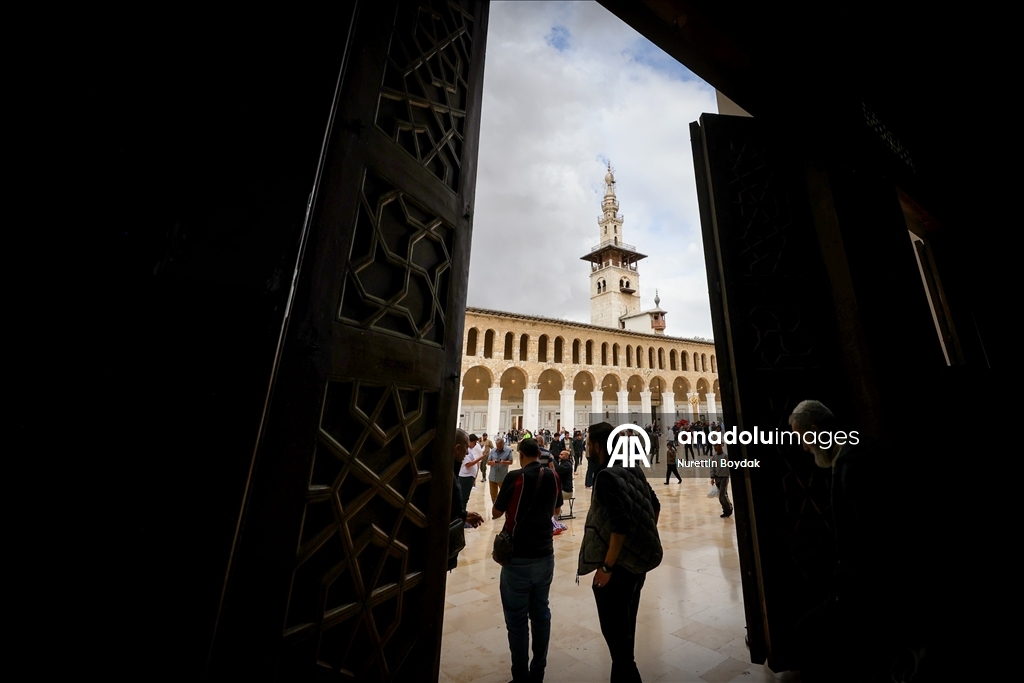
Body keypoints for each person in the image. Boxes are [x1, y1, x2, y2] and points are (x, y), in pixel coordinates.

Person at [788, 400, 921, 682]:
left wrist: (850, 586)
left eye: (803, 438)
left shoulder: (853, 466)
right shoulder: (861, 447)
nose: (804, 447)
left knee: (807, 633)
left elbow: (872, 535)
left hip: (872, 587)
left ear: (815, 431)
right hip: (876, 583)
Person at [579, 422, 662, 683]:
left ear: (597, 446)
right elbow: (655, 505)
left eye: (588, 444)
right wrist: (640, 541)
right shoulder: (632, 468)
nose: (586, 448)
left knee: (618, 643)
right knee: (625, 633)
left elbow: (620, 525)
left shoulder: (606, 476)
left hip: (618, 571)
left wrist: (607, 567)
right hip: (637, 567)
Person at [492, 438, 563, 683]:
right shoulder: (553, 476)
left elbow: (496, 512)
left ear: (521, 454)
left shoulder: (515, 477)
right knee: (541, 614)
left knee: (517, 620)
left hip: (518, 557)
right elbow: (556, 510)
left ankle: (520, 675)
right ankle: (538, 672)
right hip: (545, 555)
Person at [450, 430, 485, 569]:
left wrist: (463, 516)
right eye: (466, 448)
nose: (466, 452)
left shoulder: (451, 469)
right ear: (458, 448)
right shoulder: (446, 473)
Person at [458, 433, 486, 523]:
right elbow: (468, 465)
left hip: (469, 477)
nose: (475, 445)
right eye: (474, 443)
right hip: (465, 477)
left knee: (465, 498)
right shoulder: (466, 451)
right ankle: (462, 519)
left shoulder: (470, 450)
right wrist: (480, 458)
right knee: (463, 499)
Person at [487, 437, 515, 505]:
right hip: (492, 477)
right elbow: (488, 462)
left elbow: (511, 462)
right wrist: (492, 462)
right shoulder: (493, 451)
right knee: (493, 495)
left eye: (500, 446)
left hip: (502, 478)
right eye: (497, 446)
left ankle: (503, 507)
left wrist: (503, 462)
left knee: (504, 494)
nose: (499, 447)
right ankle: (495, 507)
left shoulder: (508, 450)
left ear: (503, 444)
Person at [709, 443, 732, 517]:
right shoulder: (714, 457)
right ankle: (726, 510)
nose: (715, 447)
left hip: (724, 478)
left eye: (716, 445)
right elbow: (712, 467)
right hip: (717, 478)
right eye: (714, 446)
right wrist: (712, 477)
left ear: (720, 446)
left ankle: (729, 509)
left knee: (722, 495)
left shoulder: (725, 456)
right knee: (723, 495)